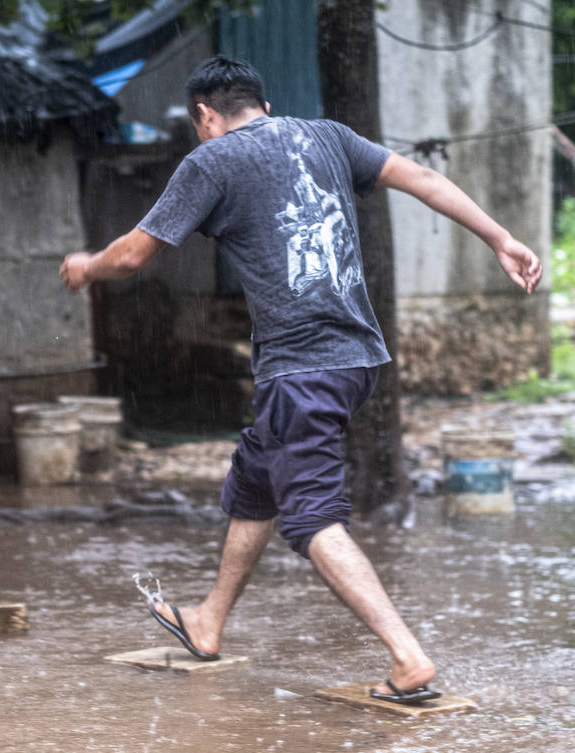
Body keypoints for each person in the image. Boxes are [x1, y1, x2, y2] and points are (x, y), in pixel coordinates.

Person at [59, 57, 541, 705]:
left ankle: (408, 658)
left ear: (206, 115)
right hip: (358, 356)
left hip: (302, 367)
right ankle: (207, 622)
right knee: (256, 480)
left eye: (201, 122)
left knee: (311, 517)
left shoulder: (210, 161)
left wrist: (88, 267)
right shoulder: (328, 136)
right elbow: (423, 178)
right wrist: (501, 238)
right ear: (260, 101)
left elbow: (137, 253)